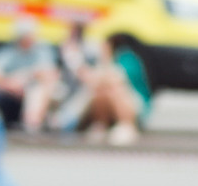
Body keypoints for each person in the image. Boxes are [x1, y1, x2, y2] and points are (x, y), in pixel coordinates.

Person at [51, 11, 141, 144]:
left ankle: (124, 125)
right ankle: (102, 124)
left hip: (127, 102)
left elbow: (109, 78)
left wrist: (77, 63)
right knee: (101, 90)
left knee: (112, 86)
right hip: (85, 95)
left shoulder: (124, 59)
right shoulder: (64, 49)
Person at [0, 17, 57, 130]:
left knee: (38, 91)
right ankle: (30, 124)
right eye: (24, 36)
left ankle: (33, 123)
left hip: (36, 89)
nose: (27, 39)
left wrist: (26, 78)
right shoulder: (8, 52)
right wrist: (9, 84)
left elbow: (49, 73)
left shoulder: (42, 49)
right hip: (12, 91)